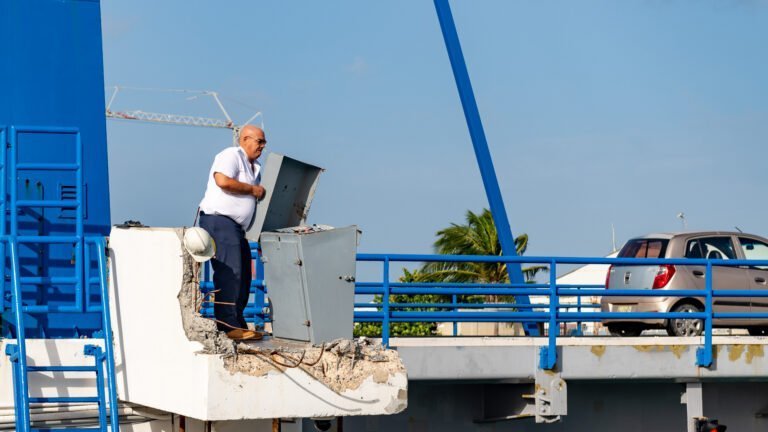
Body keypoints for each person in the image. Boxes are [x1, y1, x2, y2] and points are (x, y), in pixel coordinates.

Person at [198, 125, 267, 341]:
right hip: (219, 221)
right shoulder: (231, 155)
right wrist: (253, 190)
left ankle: (237, 321)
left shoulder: (254, 167)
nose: (262, 147)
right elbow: (223, 181)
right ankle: (228, 325)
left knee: (244, 274)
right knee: (230, 272)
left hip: (236, 227)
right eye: (259, 141)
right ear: (245, 139)